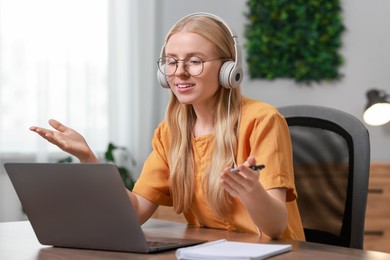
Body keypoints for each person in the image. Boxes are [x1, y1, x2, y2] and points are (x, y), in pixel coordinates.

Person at [29, 12, 305, 241]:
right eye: (171, 62)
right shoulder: (171, 132)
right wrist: (88, 158)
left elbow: (275, 228)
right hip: (209, 252)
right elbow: (135, 211)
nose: (179, 72)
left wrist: (251, 192)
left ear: (228, 70)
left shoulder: (262, 120)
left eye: (195, 61)